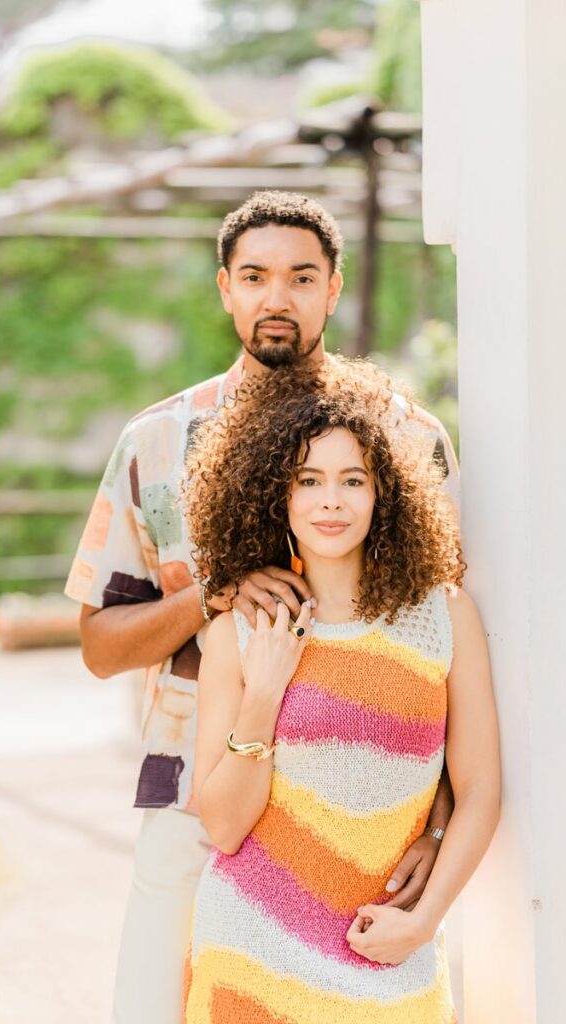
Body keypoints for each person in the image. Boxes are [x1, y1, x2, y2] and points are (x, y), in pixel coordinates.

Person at [64, 191, 460, 1024]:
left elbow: (451, 635)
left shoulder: (409, 441)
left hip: (366, 813)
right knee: (151, 1009)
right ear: (224, 289)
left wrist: (440, 822)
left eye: (299, 277)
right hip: (191, 796)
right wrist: (209, 597)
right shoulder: (155, 444)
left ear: (334, 288)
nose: (276, 297)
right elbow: (102, 645)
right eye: (254, 277)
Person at [183, 361, 500, 1023]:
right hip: (251, 955)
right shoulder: (236, 635)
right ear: (276, 496)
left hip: (387, 944)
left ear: (383, 493)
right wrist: (264, 692)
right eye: (308, 481)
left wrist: (424, 920)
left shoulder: (441, 616)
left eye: (352, 480)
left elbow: (478, 791)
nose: (331, 501)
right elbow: (221, 822)